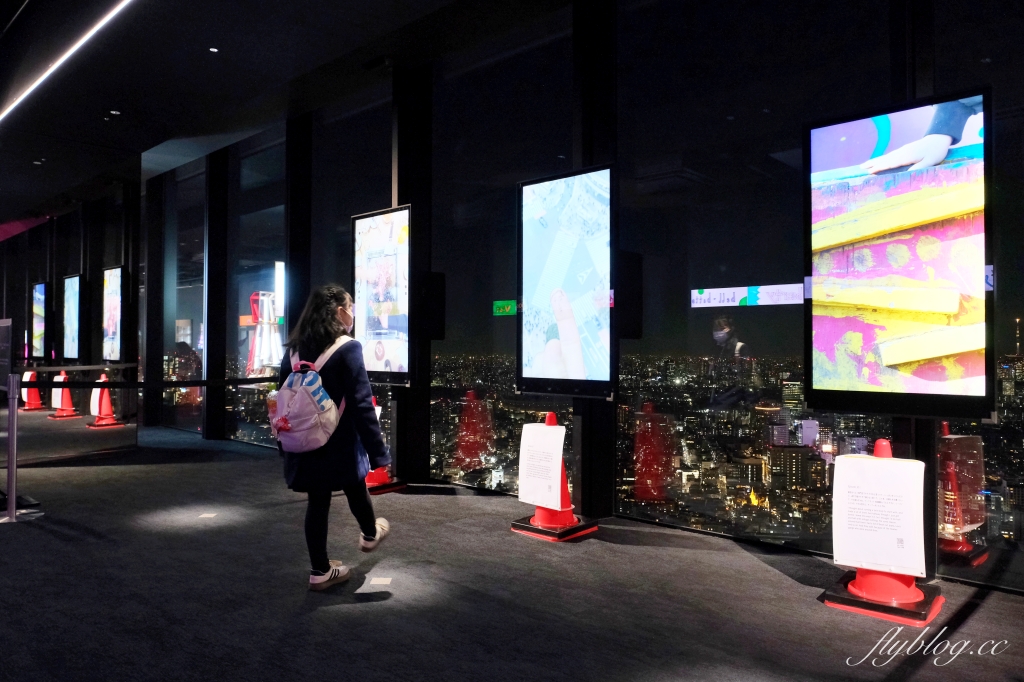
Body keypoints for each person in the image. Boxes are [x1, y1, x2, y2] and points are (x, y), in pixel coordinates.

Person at [279, 284, 391, 591]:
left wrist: (283, 446)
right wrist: (379, 455)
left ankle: (319, 571)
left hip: (302, 442)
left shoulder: (293, 350)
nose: (352, 312)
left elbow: (280, 403)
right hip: (337, 441)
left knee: (318, 501)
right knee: (354, 484)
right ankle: (370, 534)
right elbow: (361, 404)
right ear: (338, 311)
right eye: (350, 306)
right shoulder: (347, 347)